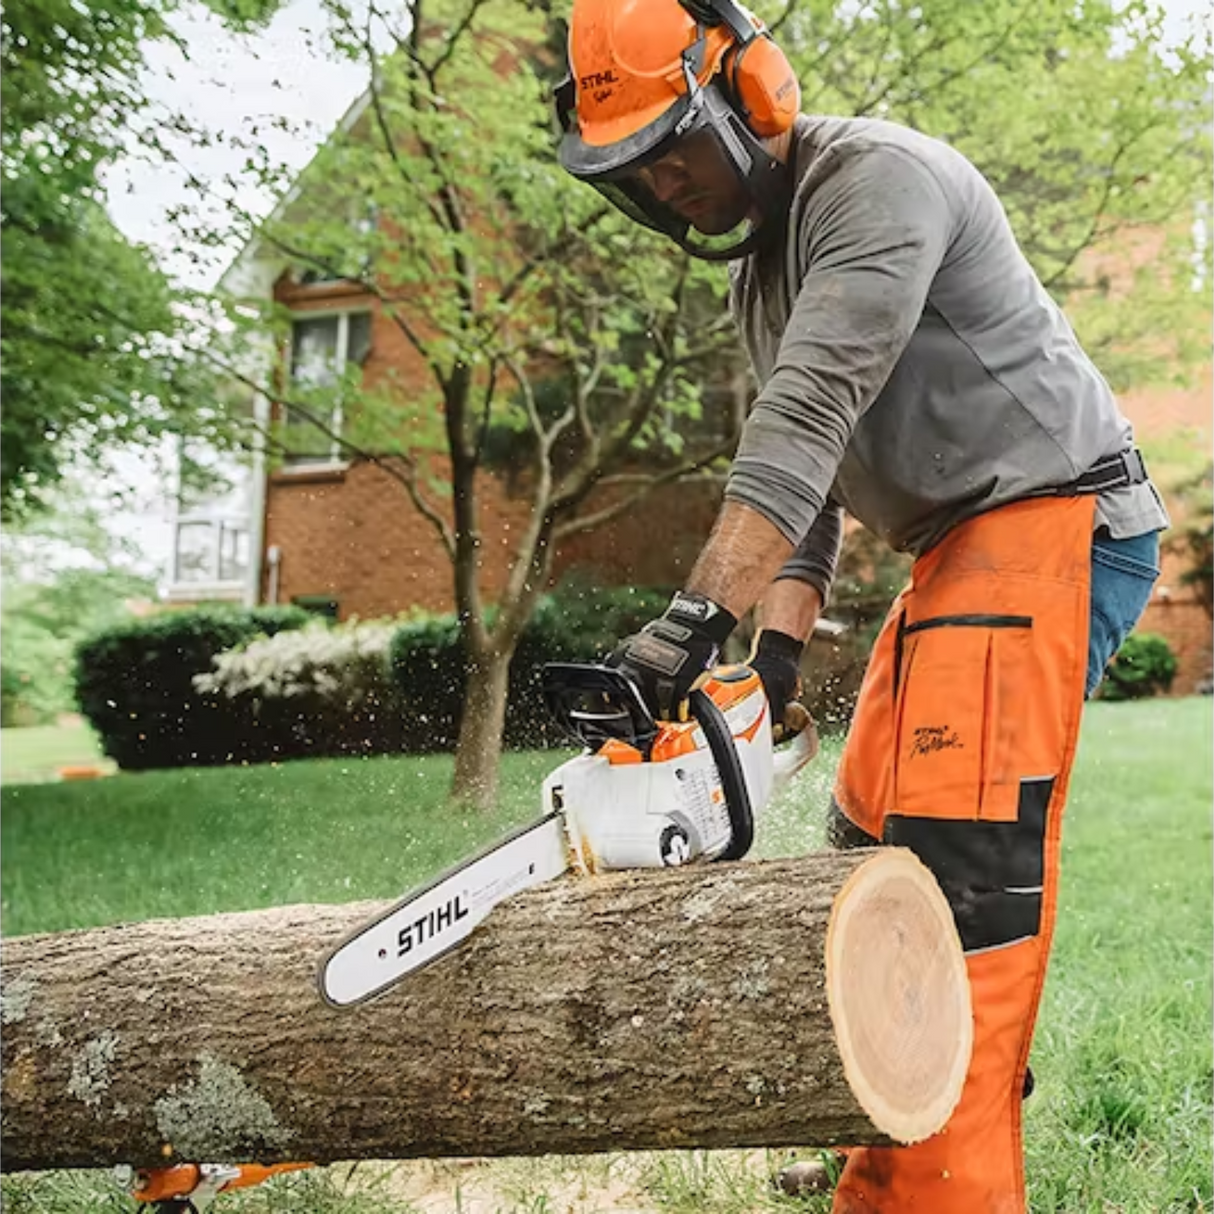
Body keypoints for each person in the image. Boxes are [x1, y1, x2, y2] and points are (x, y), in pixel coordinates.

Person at [554, 0, 1169, 1210]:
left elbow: (802, 421)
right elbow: (812, 483)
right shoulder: (759, 276)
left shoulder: (877, 184)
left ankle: (937, 1188)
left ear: (750, 92)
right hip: (955, 554)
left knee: (954, 880)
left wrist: (689, 621)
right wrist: (773, 653)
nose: (664, 182)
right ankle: (880, 1135)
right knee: (861, 848)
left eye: (673, 146)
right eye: (635, 170)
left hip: (1051, 523)